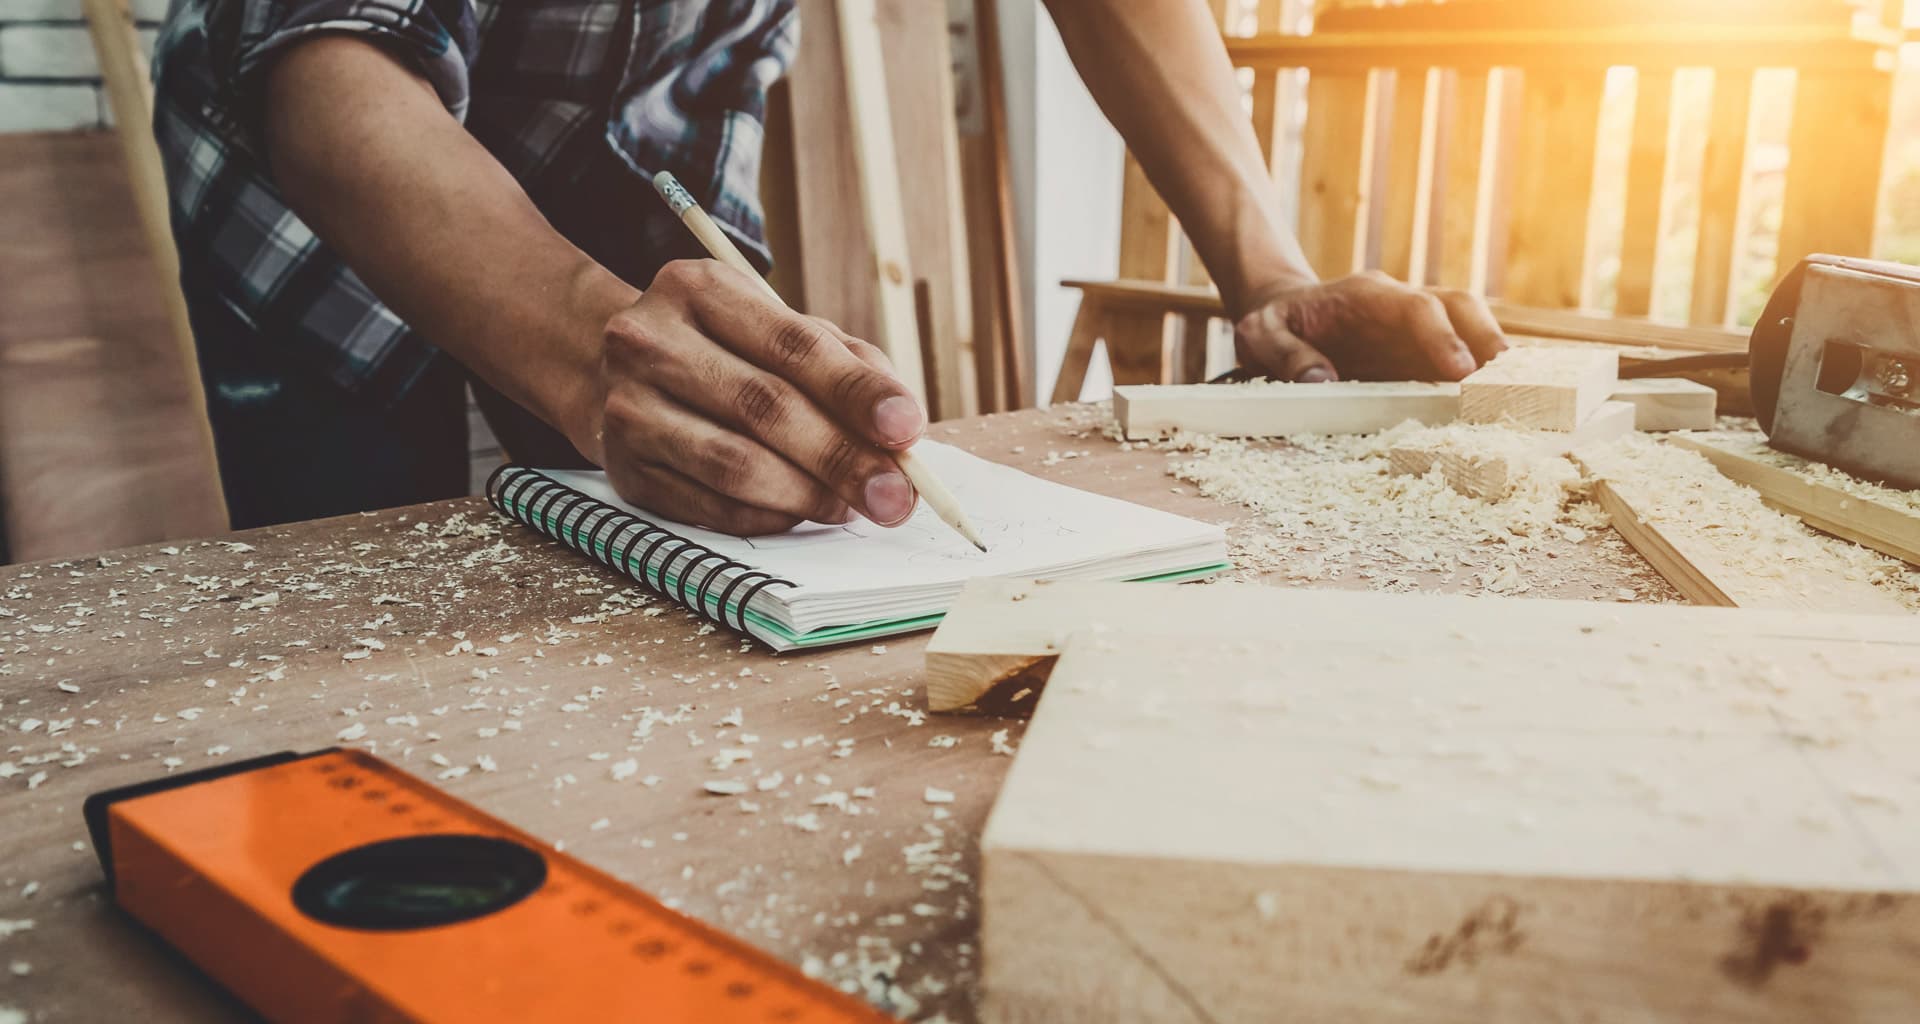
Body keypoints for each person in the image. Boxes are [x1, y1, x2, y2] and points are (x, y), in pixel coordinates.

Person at [152, 0, 1506, 534]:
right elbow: (333, 63)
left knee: (720, 529)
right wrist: (582, 345)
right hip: (333, 191)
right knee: (375, 615)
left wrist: (1264, 269)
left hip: (634, 144)